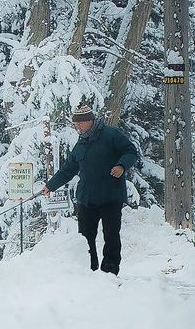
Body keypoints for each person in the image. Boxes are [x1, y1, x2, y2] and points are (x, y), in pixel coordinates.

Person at [41, 99, 139, 276]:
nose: (77, 126)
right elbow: (68, 169)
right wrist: (51, 185)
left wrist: (121, 166)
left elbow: (131, 151)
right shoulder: (81, 144)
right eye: (75, 123)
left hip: (111, 196)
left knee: (111, 236)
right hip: (87, 199)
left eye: (80, 122)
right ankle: (89, 271)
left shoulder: (111, 135)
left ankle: (109, 272)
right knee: (85, 238)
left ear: (90, 120)